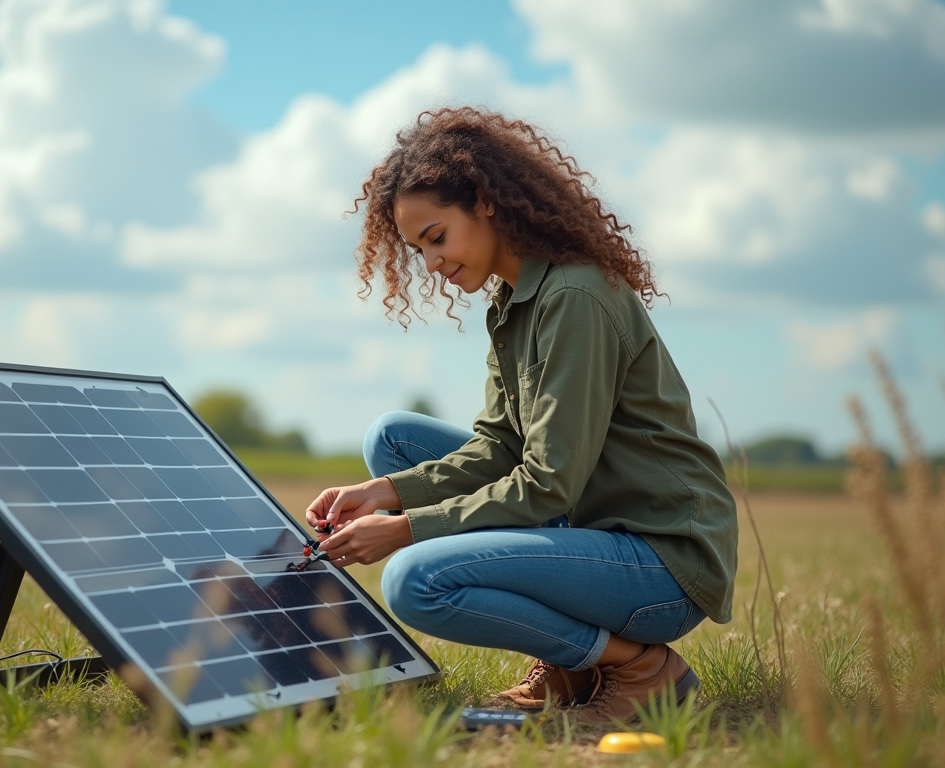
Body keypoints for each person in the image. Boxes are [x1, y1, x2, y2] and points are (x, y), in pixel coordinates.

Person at [304, 107, 738, 722]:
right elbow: (500, 448)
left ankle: (640, 667)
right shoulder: (513, 301)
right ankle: (569, 664)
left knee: (413, 582)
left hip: (660, 563)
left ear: (485, 202)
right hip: (591, 527)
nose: (431, 264)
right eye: (418, 249)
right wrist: (384, 493)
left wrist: (407, 528)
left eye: (437, 237)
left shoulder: (575, 296)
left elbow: (547, 483)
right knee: (393, 442)